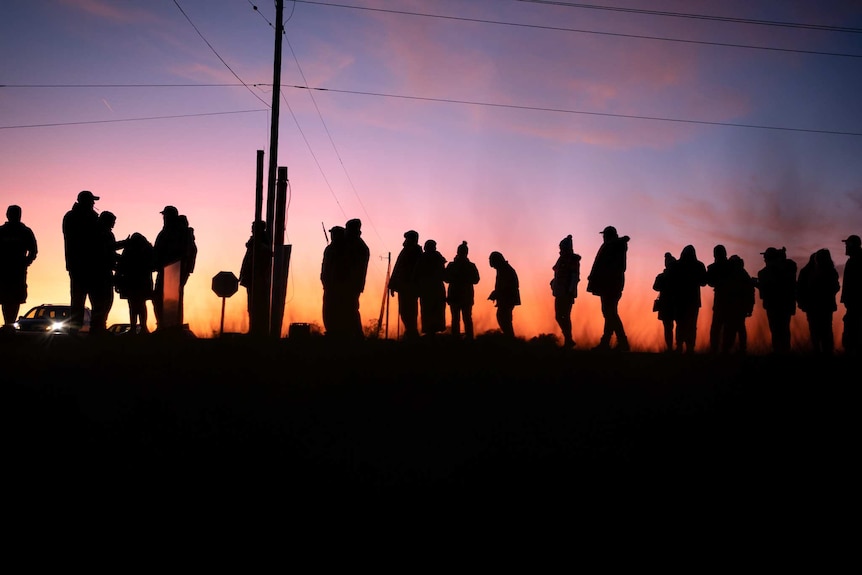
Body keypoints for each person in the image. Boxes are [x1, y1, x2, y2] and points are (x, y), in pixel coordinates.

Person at [62, 190, 101, 334]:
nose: (93, 204)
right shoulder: (76, 218)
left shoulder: (72, 217)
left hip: (79, 264)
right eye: (91, 201)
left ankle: (87, 328)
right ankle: (87, 328)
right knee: (82, 298)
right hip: (82, 264)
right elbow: (89, 239)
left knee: (82, 298)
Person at [586, 226, 630, 351]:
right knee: (609, 313)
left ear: (608, 235)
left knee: (610, 312)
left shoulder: (612, 247)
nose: (603, 237)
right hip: (611, 284)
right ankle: (607, 342)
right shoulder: (615, 246)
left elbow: (609, 266)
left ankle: (621, 342)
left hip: (610, 284)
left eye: (604, 235)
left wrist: (599, 277)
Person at [0, 205, 38, 331]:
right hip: (4, 270)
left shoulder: (25, 231)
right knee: (5, 297)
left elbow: (33, 250)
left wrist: (26, 262)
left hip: (18, 270)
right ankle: (8, 323)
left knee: (15, 297)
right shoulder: (2, 231)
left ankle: (10, 324)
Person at [797, 249, 840, 355]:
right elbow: (800, 289)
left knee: (821, 330)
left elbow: (835, 287)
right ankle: (823, 351)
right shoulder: (828, 271)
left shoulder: (829, 272)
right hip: (817, 306)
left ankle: (824, 352)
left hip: (820, 306)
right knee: (821, 329)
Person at [153, 206, 189, 330]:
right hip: (165, 270)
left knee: (170, 302)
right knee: (159, 299)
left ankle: (170, 328)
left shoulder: (178, 232)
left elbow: (185, 253)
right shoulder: (168, 231)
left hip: (173, 271)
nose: (164, 218)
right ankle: (164, 326)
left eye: (166, 215)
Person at [756, 246, 798, 354]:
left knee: (776, 331)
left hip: (773, 306)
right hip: (785, 305)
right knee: (784, 329)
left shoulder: (765, 272)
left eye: (765, 257)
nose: (764, 259)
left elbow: (766, 290)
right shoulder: (787, 268)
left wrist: (757, 284)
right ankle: (784, 352)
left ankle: (779, 353)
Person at [90, 211, 124, 335]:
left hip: (101, 273)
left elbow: (110, 252)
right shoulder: (103, 234)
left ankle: (99, 327)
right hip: (101, 274)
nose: (113, 224)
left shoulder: (99, 233)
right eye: (112, 222)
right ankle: (98, 328)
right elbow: (108, 251)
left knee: (103, 302)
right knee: (103, 301)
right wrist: (124, 246)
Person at [115, 232, 154, 335]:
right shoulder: (147, 250)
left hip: (131, 282)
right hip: (140, 282)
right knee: (140, 305)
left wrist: (117, 280)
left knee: (134, 305)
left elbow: (121, 266)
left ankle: (135, 328)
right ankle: (142, 328)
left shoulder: (129, 250)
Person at [240, 220, 272, 336]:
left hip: (257, 279)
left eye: (254, 227)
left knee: (256, 306)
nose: (252, 228)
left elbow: (263, 259)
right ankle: (253, 329)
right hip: (251, 278)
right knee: (252, 306)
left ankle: (257, 330)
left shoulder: (261, 244)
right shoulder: (254, 244)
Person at [672, 244, 707, 353]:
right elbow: (704, 282)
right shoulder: (698, 265)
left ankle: (680, 346)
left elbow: (671, 282)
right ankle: (689, 347)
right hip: (692, 301)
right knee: (691, 325)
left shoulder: (676, 265)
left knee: (681, 324)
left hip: (680, 300)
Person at [389, 230, 422, 340]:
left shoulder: (416, 252)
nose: (405, 240)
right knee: (404, 311)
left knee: (410, 311)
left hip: (410, 287)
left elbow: (417, 271)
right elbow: (397, 268)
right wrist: (392, 284)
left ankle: (412, 333)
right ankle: (411, 332)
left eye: (407, 238)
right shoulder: (405, 251)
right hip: (403, 286)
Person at [443, 241, 480, 340]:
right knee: (465, 318)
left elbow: (445, 278)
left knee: (458, 319)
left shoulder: (452, 265)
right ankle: (468, 338)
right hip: (464, 297)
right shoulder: (470, 266)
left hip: (458, 296)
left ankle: (458, 339)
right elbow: (476, 279)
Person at [550, 234, 581, 348]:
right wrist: (553, 282)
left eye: (562, 247)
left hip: (566, 293)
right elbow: (559, 274)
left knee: (565, 316)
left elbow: (574, 276)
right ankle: (568, 338)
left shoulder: (572, 259)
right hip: (559, 292)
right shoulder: (562, 259)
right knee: (559, 316)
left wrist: (570, 291)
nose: (561, 249)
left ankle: (568, 339)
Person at [413, 239, 447, 337]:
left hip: (427, 288)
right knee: (433, 310)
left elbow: (416, 273)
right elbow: (444, 274)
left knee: (429, 310)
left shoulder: (423, 258)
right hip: (433, 288)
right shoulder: (437, 257)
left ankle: (430, 331)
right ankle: (432, 330)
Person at [723, 255, 755, 354]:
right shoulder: (743, 274)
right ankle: (738, 348)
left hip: (736, 307)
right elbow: (751, 293)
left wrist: (749, 307)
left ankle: (731, 348)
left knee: (733, 328)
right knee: (739, 327)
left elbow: (750, 292)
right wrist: (750, 308)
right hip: (739, 307)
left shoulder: (732, 274)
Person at [344, 218, 370, 339]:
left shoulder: (357, 245)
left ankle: (357, 336)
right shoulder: (357, 244)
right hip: (353, 283)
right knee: (350, 308)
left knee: (350, 309)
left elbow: (352, 265)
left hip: (351, 283)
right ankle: (354, 335)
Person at [706, 244, 732, 353]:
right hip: (730, 299)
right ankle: (724, 349)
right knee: (726, 326)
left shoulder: (713, 267)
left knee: (717, 326)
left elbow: (709, 282)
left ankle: (715, 349)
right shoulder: (732, 266)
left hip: (723, 299)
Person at [488, 251, 520, 337]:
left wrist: (496, 293)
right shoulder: (503, 269)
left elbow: (507, 286)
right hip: (506, 299)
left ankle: (510, 339)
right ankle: (509, 338)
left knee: (504, 319)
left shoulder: (505, 270)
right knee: (503, 318)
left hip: (507, 299)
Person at [840, 234, 861, 355]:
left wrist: (850, 300)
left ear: (852, 245)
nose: (845, 247)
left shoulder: (856, 261)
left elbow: (854, 284)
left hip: (856, 304)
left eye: (847, 244)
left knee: (853, 331)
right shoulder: (853, 260)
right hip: (853, 304)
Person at [652, 252, 677, 352]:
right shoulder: (678, 277)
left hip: (666, 304)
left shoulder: (662, 276)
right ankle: (675, 347)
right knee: (673, 326)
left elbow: (655, 287)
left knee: (668, 327)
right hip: (675, 303)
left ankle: (671, 348)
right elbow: (655, 287)